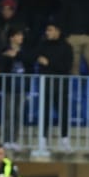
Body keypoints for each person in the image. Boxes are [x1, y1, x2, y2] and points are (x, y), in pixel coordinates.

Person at [35, 22, 73, 150]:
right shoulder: (43, 45)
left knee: (63, 112)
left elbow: (66, 67)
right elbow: (38, 62)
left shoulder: (67, 47)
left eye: (50, 30)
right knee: (44, 112)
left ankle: (65, 139)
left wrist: (49, 63)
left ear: (58, 31)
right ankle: (43, 139)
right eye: (47, 30)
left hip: (61, 86)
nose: (47, 32)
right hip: (45, 85)